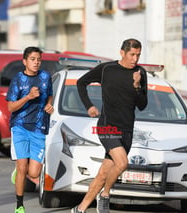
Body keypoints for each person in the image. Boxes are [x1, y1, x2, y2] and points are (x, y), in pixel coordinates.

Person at [71, 38, 148, 213]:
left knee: (104, 173)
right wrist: (89, 106)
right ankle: (105, 195)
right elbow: (81, 83)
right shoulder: (107, 69)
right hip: (107, 126)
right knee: (122, 164)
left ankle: (80, 209)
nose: (135, 59)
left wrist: (136, 85)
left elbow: (142, 105)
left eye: (138, 55)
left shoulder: (140, 73)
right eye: (132, 54)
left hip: (127, 130)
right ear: (122, 52)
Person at [6, 46, 54, 213]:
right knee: (22, 167)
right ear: (25, 61)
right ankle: (19, 205)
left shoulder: (45, 77)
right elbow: (11, 107)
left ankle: (21, 170)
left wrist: (49, 105)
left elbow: (50, 95)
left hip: (39, 128)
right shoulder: (18, 79)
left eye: (39, 60)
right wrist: (28, 97)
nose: (36, 63)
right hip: (20, 126)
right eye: (33, 59)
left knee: (34, 172)